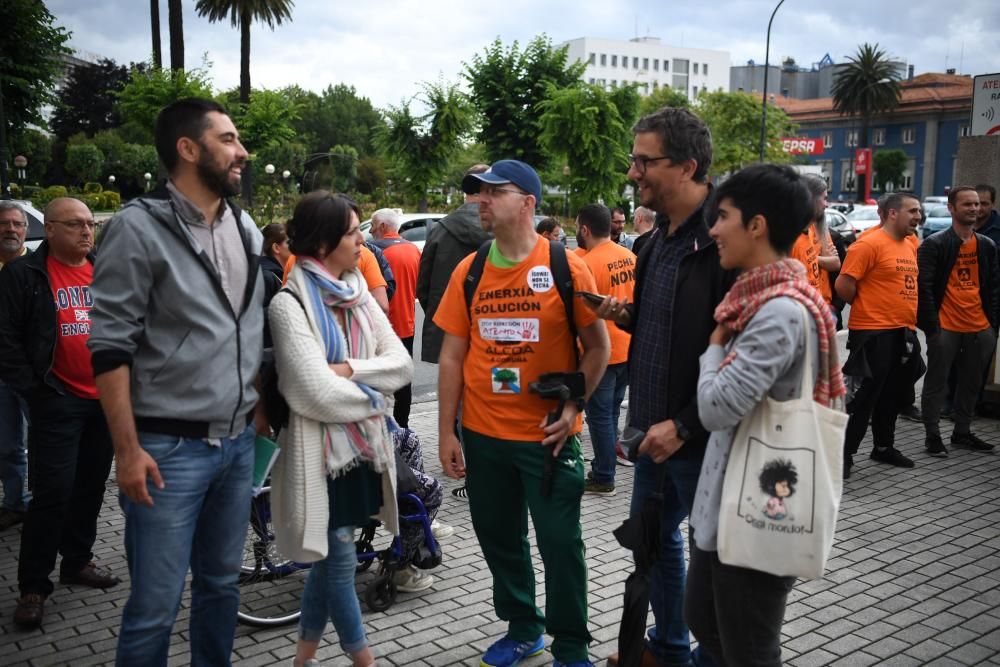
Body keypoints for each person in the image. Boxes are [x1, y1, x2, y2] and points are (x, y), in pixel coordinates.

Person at [88, 98, 264, 666]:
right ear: (188, 150)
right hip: (166, 452)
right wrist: (127, 450)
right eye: (229, 140)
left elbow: (254, 327)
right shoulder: (137, 228)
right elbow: (109, 347)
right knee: (154, 609)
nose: (243, 151)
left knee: (221, 589)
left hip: (237, 447)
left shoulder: (244, 226)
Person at [435, 159, 610, 667]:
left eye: (495, 192)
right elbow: (451, 355)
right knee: (499, 538)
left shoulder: (564, 265)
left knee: (559, 543)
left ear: (529, 202)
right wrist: (447, 430)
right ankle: (523, 627)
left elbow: (597, 348)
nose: (481, 200)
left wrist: (576, 402)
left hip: (547, 440)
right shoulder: (471, 271)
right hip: (484, 437)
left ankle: (572, 646)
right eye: (478, 193)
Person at [686, 163, 845, 667]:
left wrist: (713, 350)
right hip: (728, 508)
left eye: (724, 216)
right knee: (710, 626)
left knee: (749, 650)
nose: (713, 230)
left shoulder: (777, 311)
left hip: (757, 518)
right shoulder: (752, 298)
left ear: (757, 225)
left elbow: (715, 408)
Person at [593, 107, 735, 667]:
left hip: (699, 438)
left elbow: (743, 357)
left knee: (715, 556)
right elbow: (667, 324)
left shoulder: (726, 241)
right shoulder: (654, 242)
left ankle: (709, 655)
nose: (633, 173)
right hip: (649, 432)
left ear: (688, 166)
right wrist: (624, 314)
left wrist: (684, 425)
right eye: (635, 160)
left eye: (644, 161)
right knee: (654, 546)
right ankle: (669, 648)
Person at [268, 191, 412, 667]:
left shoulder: (358, 294)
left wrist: (349, 370)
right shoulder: (289, 306)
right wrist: (376, 397)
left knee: (331, 565)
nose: (362, 242)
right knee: (339, 565)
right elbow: (312, 393)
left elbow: (401, 366)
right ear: (326, 241)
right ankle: (364, 661)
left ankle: (302, 660)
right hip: (320, 460)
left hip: (359, 455)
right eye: (353, 233)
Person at [0, 197, 118, 629]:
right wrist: (36, 390)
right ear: (49, 229)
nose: (87, 232)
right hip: (57, 400)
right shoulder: (23, 275)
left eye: (90, 224)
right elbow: (6, 339)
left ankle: (78, 560)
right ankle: (34, 585)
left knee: (90, 486)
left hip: (104, 399)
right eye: (75, 224)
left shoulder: (105, 272)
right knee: (51, 494)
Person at [835, 192, 923, 479]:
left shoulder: (911, 242)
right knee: (863, 398)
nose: (918, 216)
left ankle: (883, 447)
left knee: (893, 393)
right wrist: (867, 307)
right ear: (892, 213)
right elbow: (844, 285)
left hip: (903, 330)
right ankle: (843, 455)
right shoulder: (868, 244)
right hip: (873, 333)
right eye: (912, 211)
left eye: (919, 211)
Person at [417, 163, 491, 502]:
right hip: (493, 329)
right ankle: (489, 468)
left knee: (457, 397)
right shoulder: (500, 230)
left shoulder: (441, 229)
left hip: (450, 331)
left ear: (464, 191)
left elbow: (423, 284)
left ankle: (464, 462)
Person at [918, 186, 999, 456]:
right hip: (946, 326)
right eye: (967, 204)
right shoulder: (936, 243)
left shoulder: (986, 245)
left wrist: (992, 325)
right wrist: (932, 328)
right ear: (952, 208)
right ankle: (932, 437)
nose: (974, 209)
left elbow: (994, 288)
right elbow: (924, 289)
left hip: (980, 326)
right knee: (937, 384)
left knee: (972, 383)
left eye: (977, 204)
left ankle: (962, 432)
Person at [576, 203, 635, 496]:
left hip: (604, 353)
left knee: (600, 417)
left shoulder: (587, 263)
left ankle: (603, 476)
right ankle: (606, 464)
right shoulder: (630, 256)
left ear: (585, 229)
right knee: (610, 413)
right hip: (628, 347)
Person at [369, 208, 422, 428]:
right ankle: (403, 428)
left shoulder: (373, 253)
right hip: (407, 326)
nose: (370, 231)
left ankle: (381, 427)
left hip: (380, 328)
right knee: (404, 381)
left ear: (382, 227)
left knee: (376, 381)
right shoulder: (413, 250)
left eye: (372, 225)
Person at [0, 201, 30, 532]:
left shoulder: (40, 267)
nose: (10, 229)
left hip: (35, 375)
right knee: (7, 446)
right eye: (4, 223)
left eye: (16, 224)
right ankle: (14, 503)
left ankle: (48, 503)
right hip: (1, 375)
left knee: (45, 445)